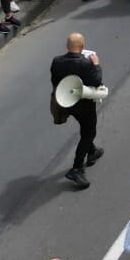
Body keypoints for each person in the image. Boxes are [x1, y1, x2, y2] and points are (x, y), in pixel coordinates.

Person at [49, 32, 103, 189]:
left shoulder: (56, 61)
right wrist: (96, 65)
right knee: (89, 133)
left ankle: (91, 152)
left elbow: (55, 80)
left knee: (85, 128)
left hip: (66, 102)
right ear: (82, 46)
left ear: (67, 46)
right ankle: (77, 168)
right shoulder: (86, 63)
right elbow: (96, 81)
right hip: (84, 104)